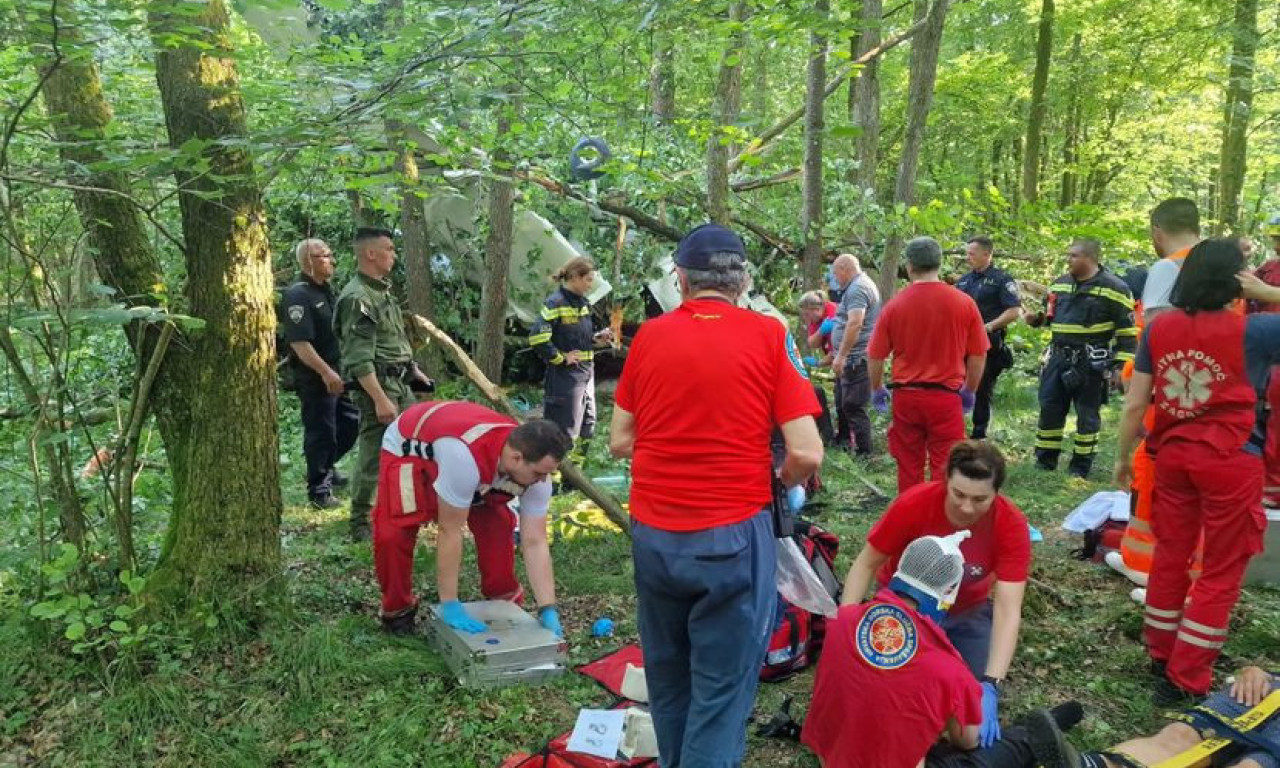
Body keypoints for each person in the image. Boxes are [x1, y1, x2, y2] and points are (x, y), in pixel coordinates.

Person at [609, 222, 824, 768]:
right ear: (743, 280)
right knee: (721, 692)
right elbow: (806, 453)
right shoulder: (769, 335)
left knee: (669, 673)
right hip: (732, 533)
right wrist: (774, 483)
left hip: (656, 533)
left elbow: (619, 441)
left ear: (680, 280)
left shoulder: (649, 337)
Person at [1115, 238, 1279, 702]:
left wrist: (1123, 458)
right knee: (1221, 571)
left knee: (1171, 556)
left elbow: (1134, 403)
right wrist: (1269, 296)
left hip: (1172, 457)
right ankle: (1187, 677)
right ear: (1237, 280)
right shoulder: (1256, 332)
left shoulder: (1159, 329)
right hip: (1231, 459)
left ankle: (1161, 654)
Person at [807, 531, 1077, 768]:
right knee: (992, 754)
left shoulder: (843, 620)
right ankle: (1035, 734)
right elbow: (967, 740)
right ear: (949, 591)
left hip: (830, 755)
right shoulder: (948, 667)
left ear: (900, 568)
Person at [841, 441, 1030, 747]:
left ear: (997, 493)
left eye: (980, 499)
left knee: (968, 732)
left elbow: (1008, 609)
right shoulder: (914, 504)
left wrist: (991, 684)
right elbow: (866, 562)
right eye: (959, 494)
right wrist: (846, 621)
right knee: (885, 696)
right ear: (946, 482)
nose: (967, 508)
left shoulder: (1009, 524)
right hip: (905, 607)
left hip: (967, 612)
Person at [372, 400, 570, 636]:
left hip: (474, 458)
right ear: (516, 458)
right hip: (409, 447)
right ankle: (398, 610)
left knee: (497, 525)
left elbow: (535, 540)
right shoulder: (463, 459)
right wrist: (450, 604)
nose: (541, 480)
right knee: (393, 533)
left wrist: (548, 607)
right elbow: (450, 530)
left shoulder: (535, 472)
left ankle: (503, 600)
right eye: (538, 473)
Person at [1115, 199, 1203, 590]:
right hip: (1211, 390)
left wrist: (1136, 382)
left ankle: (1153, 572)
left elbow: (1156, 338)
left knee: (1151, 474)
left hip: (1169, 395)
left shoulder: (1168, 268)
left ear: (1157, 230)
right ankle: (1175, 570)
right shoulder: (1227, 268)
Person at [334, 227, 433, 541]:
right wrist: (379, 399)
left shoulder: (380, 291)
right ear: (370, 254)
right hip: (379, 387)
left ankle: (405, 509)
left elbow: (393, 340)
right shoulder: (358, 298)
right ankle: (361, 522)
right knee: (374, 452)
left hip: (399, 382)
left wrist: (413, 370)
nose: (394, 254)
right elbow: (359, 357)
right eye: (389, 249)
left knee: (409, 449)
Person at [868, 237, 989, 492]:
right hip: (946, 398)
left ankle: (912, 519)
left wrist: (877, 388)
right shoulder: (964, 303)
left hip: (907, 397)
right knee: (946, 465)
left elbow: (876, 356)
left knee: (908, 465)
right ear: (940, 264)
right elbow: (978, 355)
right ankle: (941, 521)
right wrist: (970, 390)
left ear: (909, 267)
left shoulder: (894, 306)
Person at [1025, 238, 1135, 479]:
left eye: (1073, 256)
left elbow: (1128, 334)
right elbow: (1052, 317)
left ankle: (1080, 467)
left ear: (1090, 258)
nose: (1068, 260)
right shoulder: (1060, 285)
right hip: (1057, 358)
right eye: (1068, 255)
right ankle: (1045, 461)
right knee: (1050, 408)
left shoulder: (1115, 289)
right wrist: (1038, 320)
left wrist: (1121, 368)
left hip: (1091, 362)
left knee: (1087, 415)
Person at [1026, 665, 1280, 768]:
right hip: (1271, 688)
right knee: (1180, 735)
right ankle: (1090, 766)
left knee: (1253, 766)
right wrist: (1254, 670)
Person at [278, 238, 360, 509]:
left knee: (350, 424)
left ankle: (325, 466)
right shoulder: (297, 295)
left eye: (330, 254)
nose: (331, 260)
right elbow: (300, 343)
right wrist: (325, 373)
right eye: (324, 256)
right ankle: (319, 491)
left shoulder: (325, 291)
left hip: (338, 372)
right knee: (321, 431)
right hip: (315, 377)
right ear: (308, 261)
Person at [528, 256, 612, 453]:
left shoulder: (582, 303)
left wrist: (596, 338)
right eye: (588, 280)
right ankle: (556, 479)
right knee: (564, 431)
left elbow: (577, 337)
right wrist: (561, 358)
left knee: (587, 427)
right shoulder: (555, 303)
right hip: (565, 378)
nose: (591, 285)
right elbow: (537, 338)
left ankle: (575, 480)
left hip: (586, 374)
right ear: (574, 277)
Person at [955, 236, 1022, 440]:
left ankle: (979, 435)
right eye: (967, 253)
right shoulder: (964, 280)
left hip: (987, 346)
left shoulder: (1002, 280)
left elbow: (1014, 310)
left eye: (971, 254)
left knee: (982, 390)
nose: (968, 258)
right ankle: (954, 431)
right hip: (960, 345)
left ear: (987, 254)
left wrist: (989, 326)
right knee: (955, 386)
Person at [828, 254, 882, 456]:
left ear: (844, 268)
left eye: (836, 273)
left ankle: (865, 453)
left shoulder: (858, 288)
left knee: (854, 406)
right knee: (842, 402)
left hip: (855, 358)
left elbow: (855, 323)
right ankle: (843, 442)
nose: (835, 277)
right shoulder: (854, 287)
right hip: (849, 358)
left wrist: (841, 355)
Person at [799, 290, 846, 445]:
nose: (806, 319)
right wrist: (820, 331)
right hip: (836, 361)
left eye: (807, 315)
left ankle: (849, 441)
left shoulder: (834, 313)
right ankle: (840, 439)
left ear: (815, 309)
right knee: (839, 401)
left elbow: (836, 350)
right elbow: (812, 342)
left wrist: (820, 362)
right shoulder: (817, 322)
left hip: (848, 359)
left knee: (848, 403)